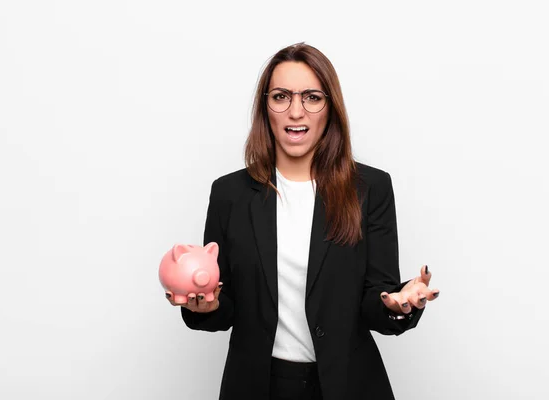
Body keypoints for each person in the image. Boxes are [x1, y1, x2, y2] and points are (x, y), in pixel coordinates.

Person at [166, 42, 440, 400]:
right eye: (281, 96)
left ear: (330, 108)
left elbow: (377, 301)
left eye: (312, 97)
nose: (296, 111)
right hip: (258, 386)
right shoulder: (229, 194)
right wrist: (208, 305)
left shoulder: (370, 188)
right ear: (266, 108)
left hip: (346, 385)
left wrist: (400, 301)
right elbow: (226, 302)